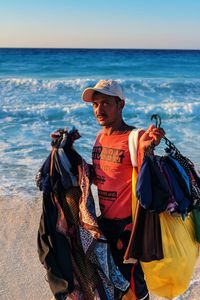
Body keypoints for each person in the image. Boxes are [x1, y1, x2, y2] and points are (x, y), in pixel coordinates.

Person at [82, 79, 165, 300]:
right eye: (96, 104)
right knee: (111, 287)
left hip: (128, 227)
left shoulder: (134, 137)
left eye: (106, 103)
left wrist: (150, 146)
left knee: (133, 289)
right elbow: (102, 176)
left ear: (121, 104)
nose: (99, 109)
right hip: (105, 225)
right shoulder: (100, 138)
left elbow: (147, 168)